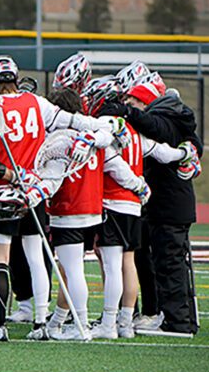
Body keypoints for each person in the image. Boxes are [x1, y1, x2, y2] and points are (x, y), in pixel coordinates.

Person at [0, 55, 129, 342]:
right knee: (37, 257)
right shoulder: (38, 102)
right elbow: (75, 121)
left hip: (3, 190)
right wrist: (104, 126)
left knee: (1, 259)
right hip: (35, 188)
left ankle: (0, 326)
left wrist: (5, 172)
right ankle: (40, 322)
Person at [82, 75, 199, 339]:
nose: (127, 102)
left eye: (133, 99)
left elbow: (111, 159)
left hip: (117, 202)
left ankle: (112, 323)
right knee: (130, 264)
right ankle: (126, 321)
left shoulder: (122, 125)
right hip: (135, 207)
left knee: (117, 266)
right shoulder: (140, 132)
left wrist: (137, 185)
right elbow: (164, 153)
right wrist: (186, 154)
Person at [43, 87, 149, 341]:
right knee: (116, 266)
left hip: (71, 208)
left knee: (74, 269)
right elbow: (117, 164)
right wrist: (139, 186)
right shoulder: (99, 134)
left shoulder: (61, 138)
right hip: (95, 210)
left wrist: (35, 190)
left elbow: (53, 177)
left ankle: (80, 324)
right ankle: (114, 322)